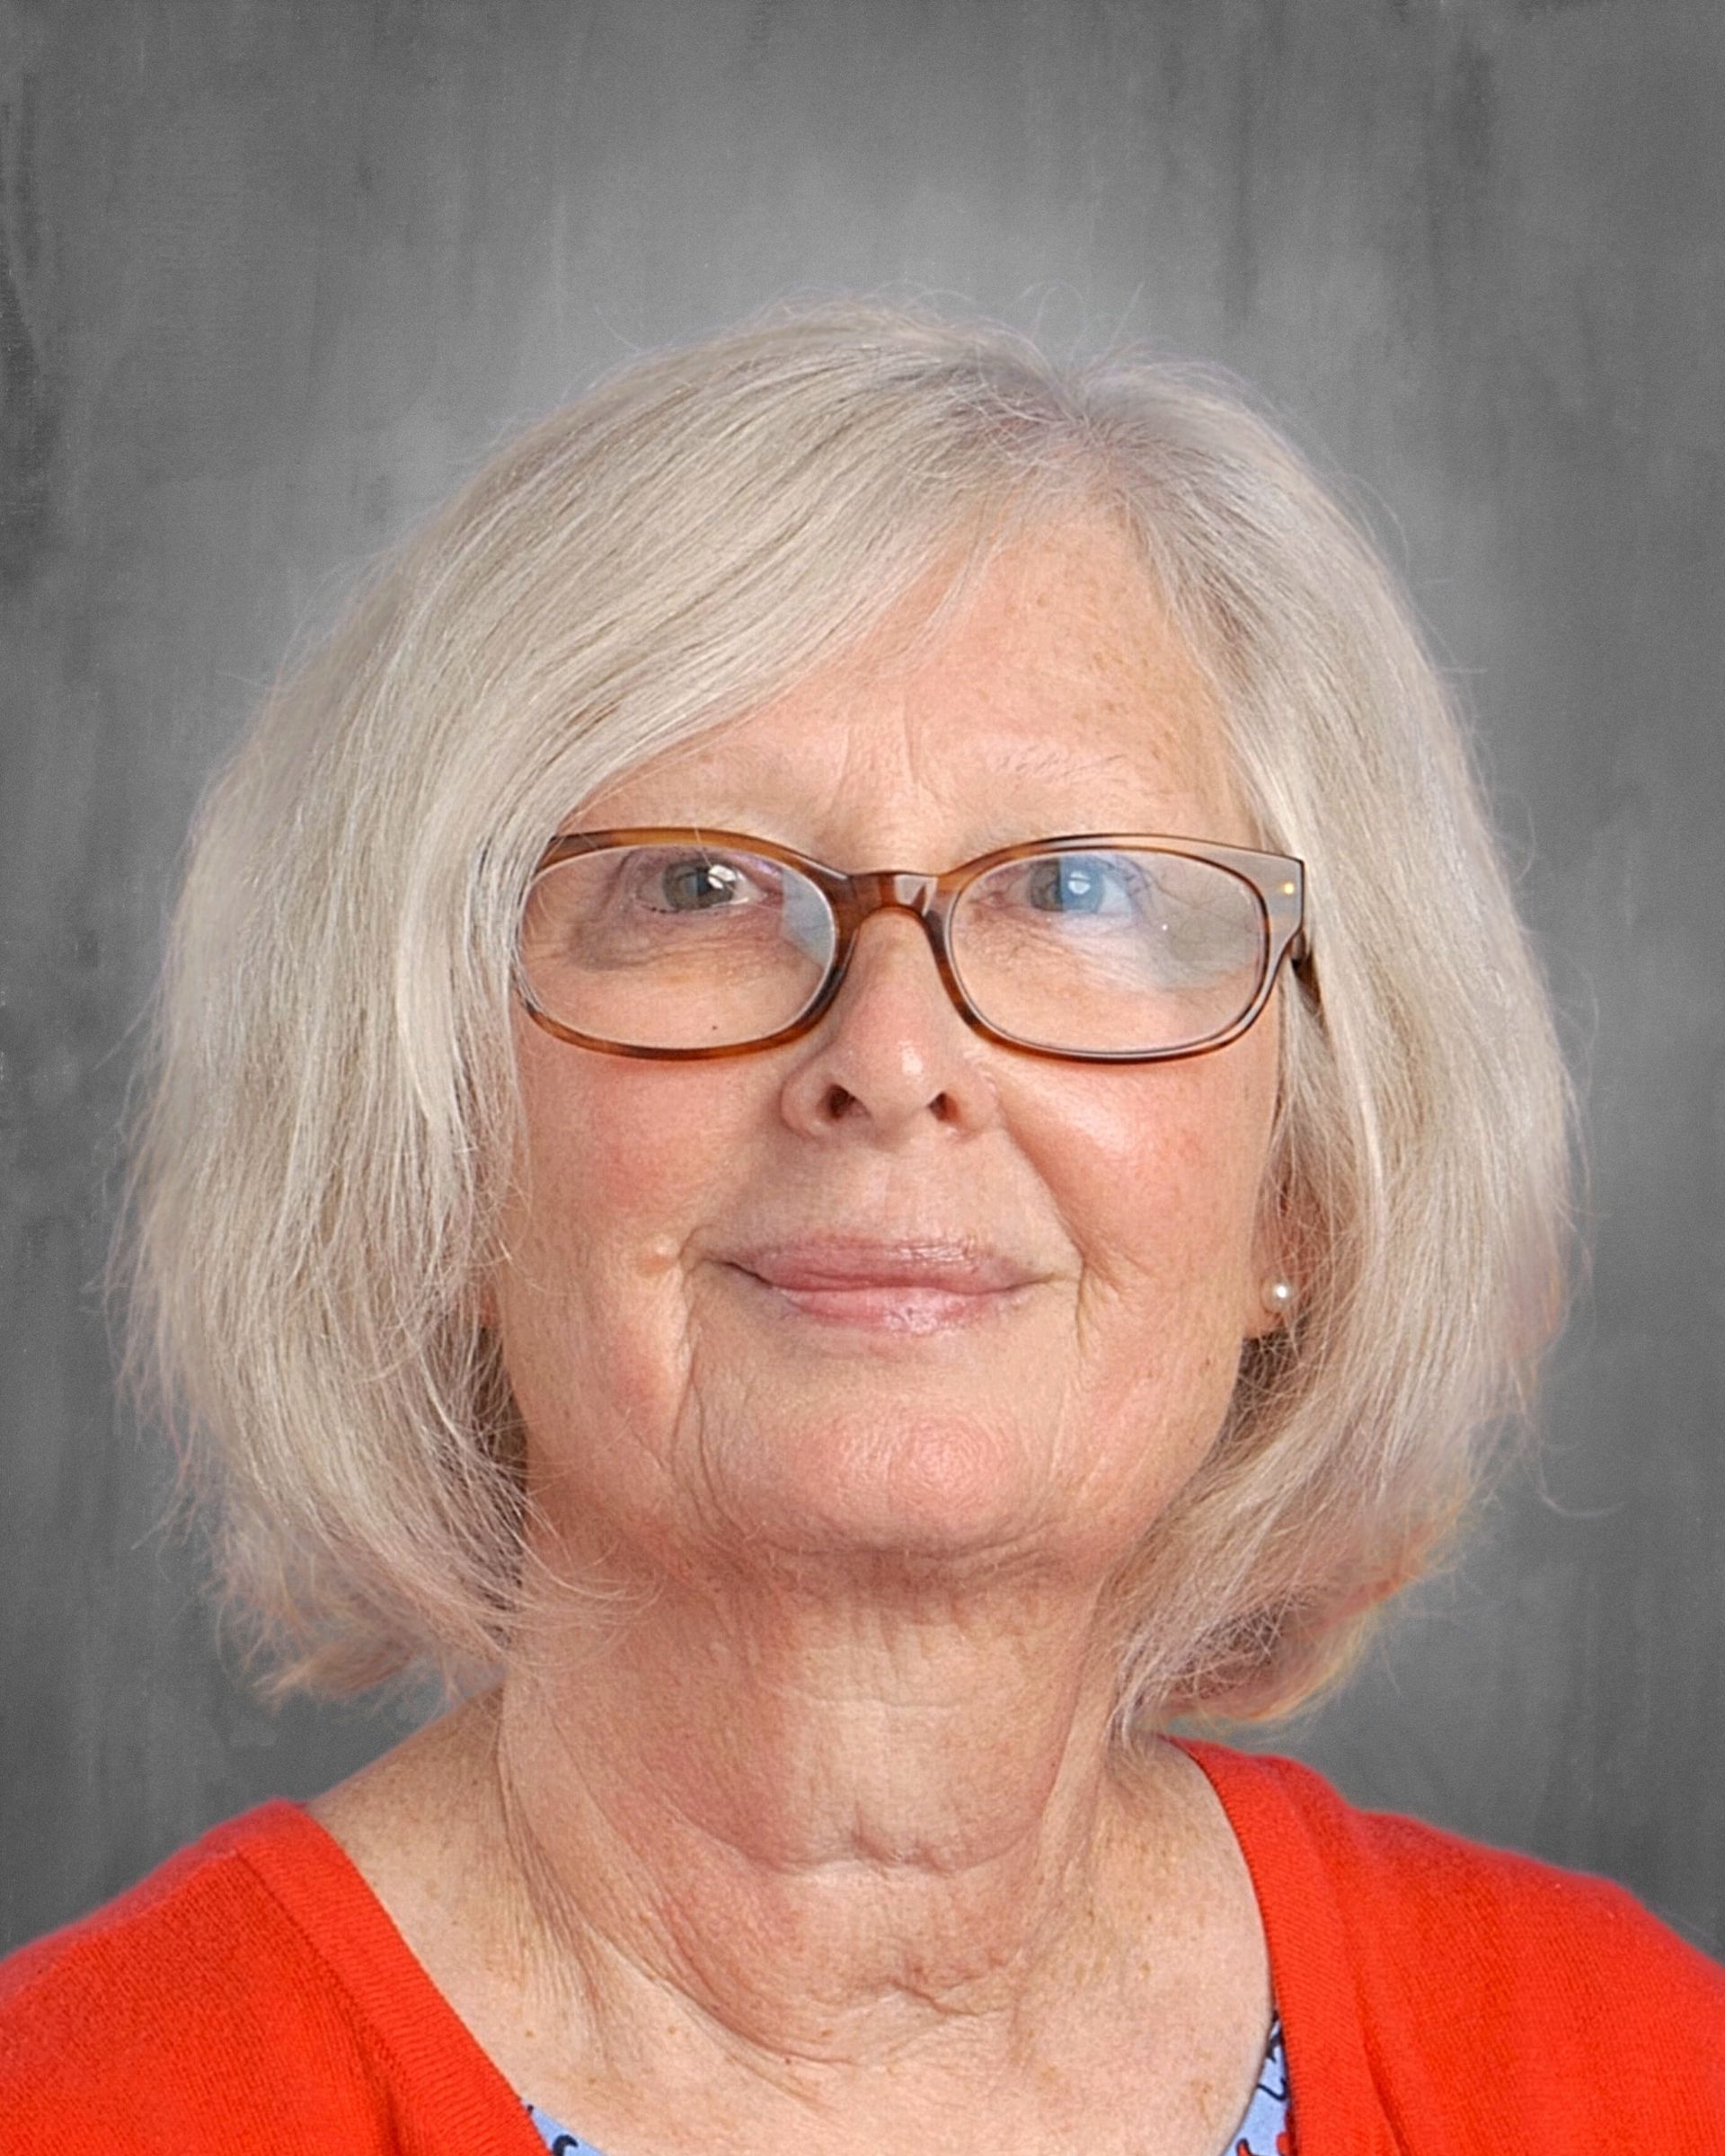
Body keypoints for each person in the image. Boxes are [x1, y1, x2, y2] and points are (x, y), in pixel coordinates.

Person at [2, 301, 1721, 2154]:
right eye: (698, 884)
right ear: (436, 1140)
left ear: (1296, 1189)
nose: (893, 1059)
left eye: (1079, 890)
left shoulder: (1635, 2070)